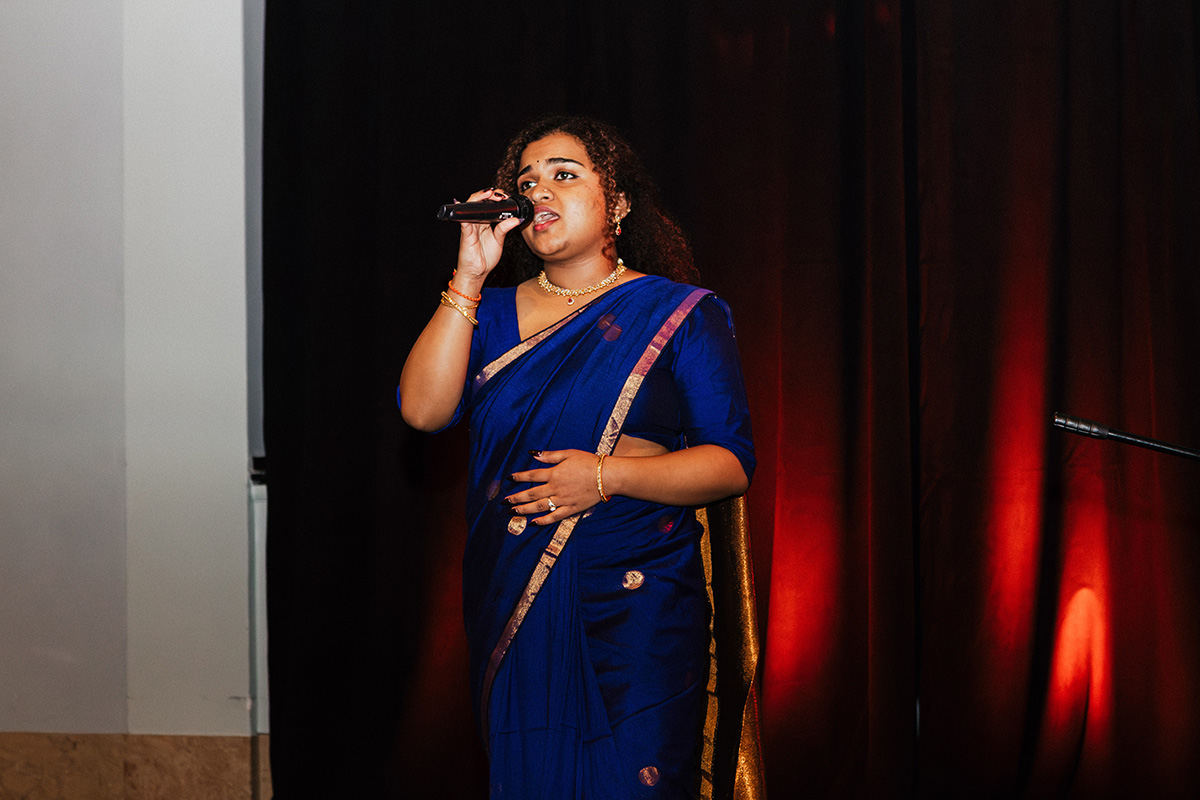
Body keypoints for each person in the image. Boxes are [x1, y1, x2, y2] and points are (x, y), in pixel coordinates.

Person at [399, 116, 757, 799]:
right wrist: (469, 277)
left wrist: (603, 476)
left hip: (638, 605)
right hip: (516, 599)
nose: (539, 191)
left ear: (617, 203)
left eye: (565, 174)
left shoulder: (680, 312)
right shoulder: (486, 312)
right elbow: (422, 411)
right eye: (524, 181)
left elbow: (729, 463)